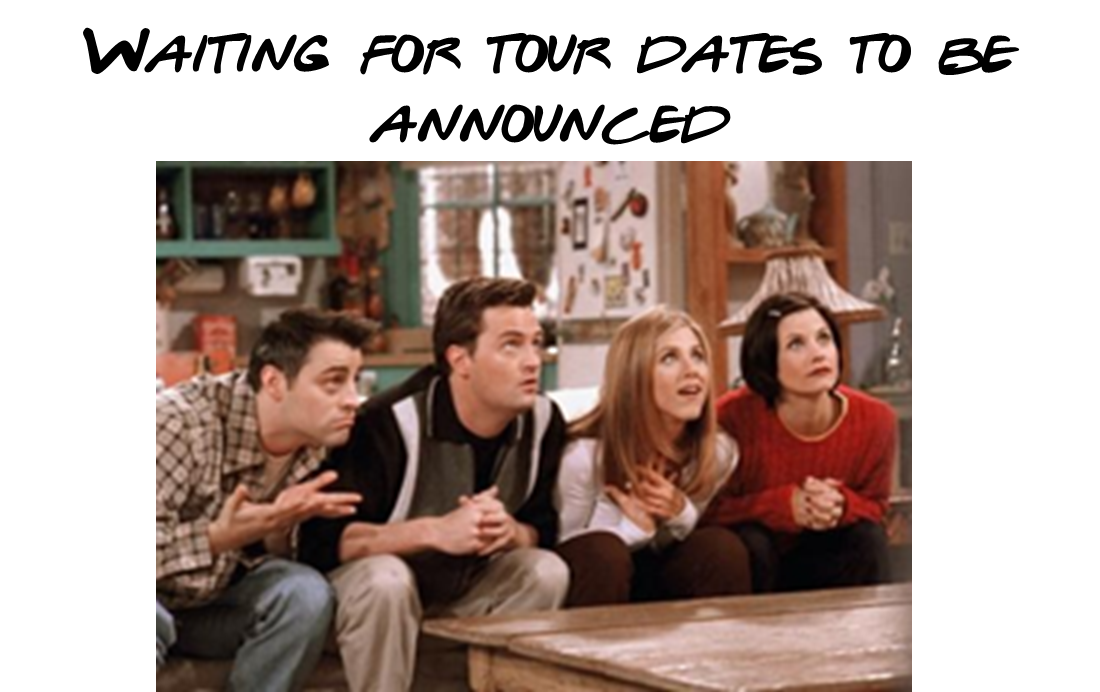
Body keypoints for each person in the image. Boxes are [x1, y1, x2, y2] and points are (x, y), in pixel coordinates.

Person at [299, 278, 570, 692]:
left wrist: (511, 532)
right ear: (460, 360)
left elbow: (543, 527)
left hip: (464, 594)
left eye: (536, 343)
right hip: (374, 602)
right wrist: (436, 531)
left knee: (544, 571)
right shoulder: (385, 424)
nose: (533, 361)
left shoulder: (544, 422)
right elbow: (321, 541)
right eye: (511, 345)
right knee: (385, 579)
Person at [156, 309, 374, 691]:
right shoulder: (178, 423)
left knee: (304, 594)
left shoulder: (317, 443)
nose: (352, 400)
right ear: (273, 382)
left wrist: (277, 532)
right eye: (334, 382)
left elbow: (274, 556)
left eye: (355, 381)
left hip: (211, 603)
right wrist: (217, 537)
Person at [555, 307, 751, 607]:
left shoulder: (720, 452)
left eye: (697, 356)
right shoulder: (584, 455)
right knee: (604, 553)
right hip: (599, 580)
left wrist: (680, 512)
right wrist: (633, 529)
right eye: (669, 358)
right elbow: (564, 550)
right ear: (634, 375)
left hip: (660, 574)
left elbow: (683, 538)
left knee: (721, 548)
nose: (692, 370)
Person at [704, 293, 896, 593]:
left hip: (828, 554)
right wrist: (781, 506)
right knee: (753, 541)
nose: (818, 354)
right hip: (760, 561)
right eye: (796, 344)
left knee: (868, 537)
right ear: (767, 360)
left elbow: (877, 506)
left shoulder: (877, 419)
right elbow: (707, 511)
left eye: (824, 338)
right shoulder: (730, 417)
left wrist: (841, 505)